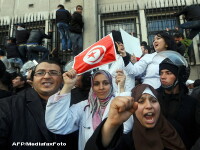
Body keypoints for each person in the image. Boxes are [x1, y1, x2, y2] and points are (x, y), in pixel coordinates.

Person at [45, 69, 133, 150]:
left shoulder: (116, 103)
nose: (101, 87)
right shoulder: (85, 106)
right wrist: (67, 86)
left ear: (111, 85)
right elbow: (56, 124)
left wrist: (121, 87)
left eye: (106, 83)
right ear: (92, 86)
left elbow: (126, 128)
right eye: (96, 84)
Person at [85, 84, 186, 150]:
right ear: (133, 108)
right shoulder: (127, 142)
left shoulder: (176, 130)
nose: (149, 106)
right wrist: (111, 123)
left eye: (153, 101)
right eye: (141, 101)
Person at [0, 60, 68, 150]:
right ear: (32, 79)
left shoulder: (76, 105)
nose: (47, 76)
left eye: (54, 73)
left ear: (62, 79)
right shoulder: (8, 105)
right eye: (40, 73)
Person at [156, 51, 200, 149]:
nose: (163, 77)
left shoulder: (191, 103)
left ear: (178, 76)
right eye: (161, 73)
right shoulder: (153, 98)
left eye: (168, 73)